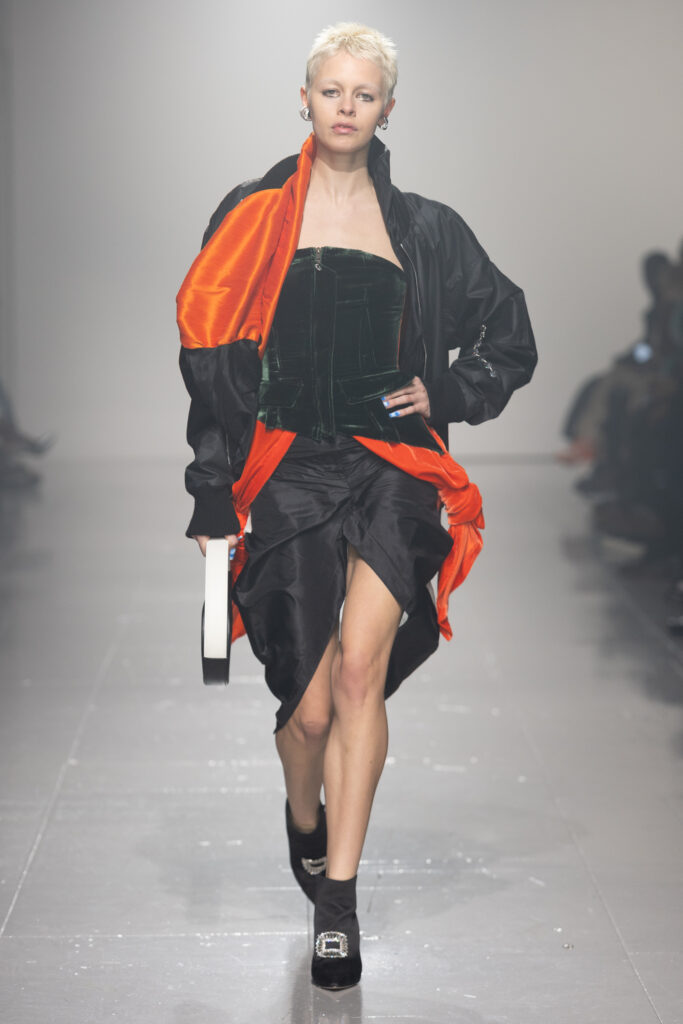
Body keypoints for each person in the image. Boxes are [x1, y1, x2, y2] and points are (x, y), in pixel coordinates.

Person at [177, 23, 537, 990]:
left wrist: (447, 392)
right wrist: (211, 489)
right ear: (303, 99)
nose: (345, 107)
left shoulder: (426, 228)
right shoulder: (252, 215)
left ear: (387, 108)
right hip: (288, 466)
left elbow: (508, 334)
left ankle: (337, 902)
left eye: (363, 94)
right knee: (303, 715)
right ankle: (305, 817)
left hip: (392, 465)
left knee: (356, 676)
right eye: (330, 90)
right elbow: (210, 362)